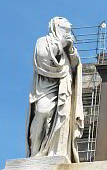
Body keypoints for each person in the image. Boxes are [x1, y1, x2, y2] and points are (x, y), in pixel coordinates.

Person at [26, 17, 83, 162]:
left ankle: (56, 151)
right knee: (42, 112)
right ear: (56, 25)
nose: (69, 23)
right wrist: (60, 46)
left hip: (64, 85)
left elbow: (76, 65)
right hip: (46, 85)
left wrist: (70, 49)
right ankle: (36, 152)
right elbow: (42, 58)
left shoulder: (68, 43)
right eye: (64, 21)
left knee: (63, 117)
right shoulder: (43, 41)